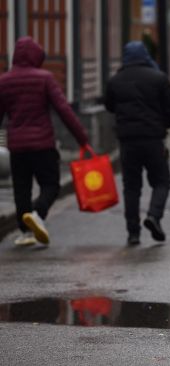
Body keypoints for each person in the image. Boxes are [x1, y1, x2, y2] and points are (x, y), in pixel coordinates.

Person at [0, 37, 89, 247]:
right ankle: (38, 214)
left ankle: (25, 232)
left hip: (18, 145)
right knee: (51, 184)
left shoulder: (4, 81)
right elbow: (64, 110)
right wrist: (82, 138)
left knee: (21, 188)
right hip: (43, 144)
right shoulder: (45, 78)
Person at [104, 41, 170, 246]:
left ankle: (133, 233)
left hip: (127, 141)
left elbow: (109, 105)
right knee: (162, 181)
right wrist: (164, 124)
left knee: (131, 186)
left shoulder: (115, 80)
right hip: (153, 138)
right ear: (145, 55)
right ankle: (154, 215)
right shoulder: (158, 78)